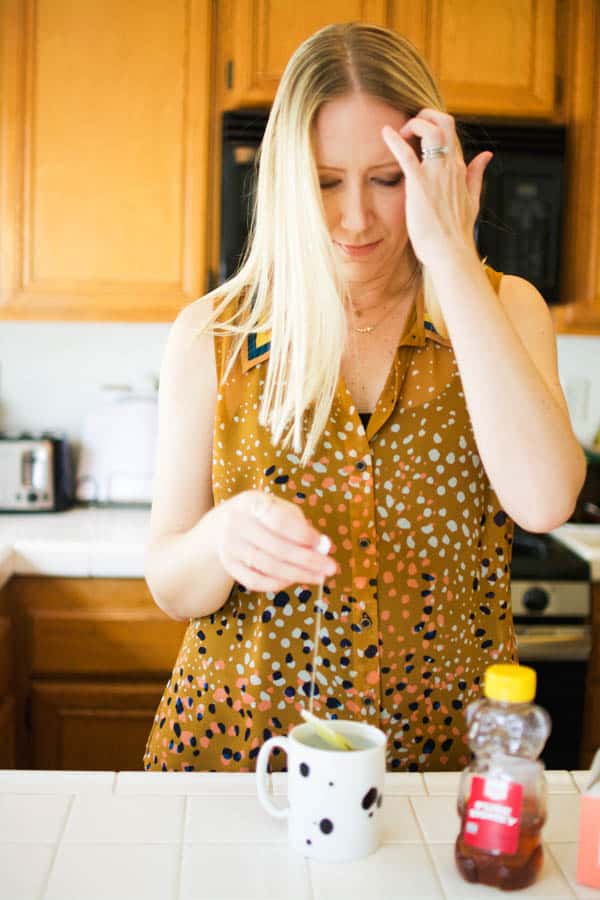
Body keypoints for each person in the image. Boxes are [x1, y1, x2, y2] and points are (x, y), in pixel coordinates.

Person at [143, 23, 586, 773]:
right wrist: (222, 537)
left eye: (387, 180)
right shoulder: (213, 334)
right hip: (240, 762)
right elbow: (169, 582)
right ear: (286, 178)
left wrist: (448, 251)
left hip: (433, 771)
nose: (355, 217)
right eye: (324, 181)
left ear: (428, 171)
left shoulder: (504, 311)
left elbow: (543, 502)